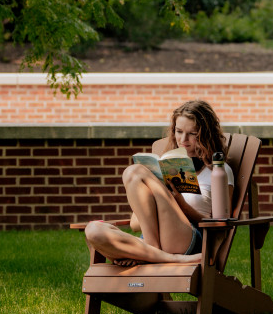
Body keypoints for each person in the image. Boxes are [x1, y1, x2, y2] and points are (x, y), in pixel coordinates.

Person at [84, 100, 234, 266]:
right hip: (156, 241)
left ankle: (147, 252)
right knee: (93, 230)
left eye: (192, 134)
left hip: (187, 238)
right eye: (179, 131)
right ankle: (161, 256)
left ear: (206, 134)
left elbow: (222, 225)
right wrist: (157, 192)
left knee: (134, 171)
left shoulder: (219, 171)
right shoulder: (164, 166)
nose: (183, 139)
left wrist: (180, 203)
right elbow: (135, 225)